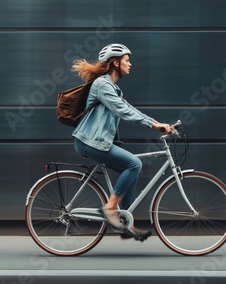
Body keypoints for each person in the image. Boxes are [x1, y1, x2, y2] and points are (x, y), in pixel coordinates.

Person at [71, 43, 172, 241]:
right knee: (134, 163)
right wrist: (153, 126)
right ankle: (110, 208)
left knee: (132, 169)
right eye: (127, 60)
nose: (130, 64)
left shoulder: (113, 87)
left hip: (98, 141)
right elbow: (122, 111)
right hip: (90, 141)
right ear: (115, 63)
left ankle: (127, 224)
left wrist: (157, 123)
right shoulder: (102, 85)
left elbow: (130, 109)